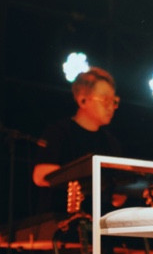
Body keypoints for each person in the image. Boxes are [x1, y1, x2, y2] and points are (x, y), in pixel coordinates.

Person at [33, 66, 122, 214]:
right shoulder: (58, 132)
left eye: (114, 101)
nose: (111, 107)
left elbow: (116, 197)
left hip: (98, 222)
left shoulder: (111, 143)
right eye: (105, 100)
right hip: (58, 220)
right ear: (83, 101)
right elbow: (40, 175)